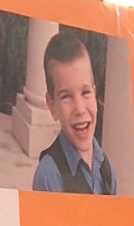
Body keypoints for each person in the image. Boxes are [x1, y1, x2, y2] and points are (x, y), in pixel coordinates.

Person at [32, 32, 116, 194]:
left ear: (95, 93)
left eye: (85, 92)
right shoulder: (49, 174)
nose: (79, 109)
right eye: (66, 96)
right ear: (52, 106)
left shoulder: (107, 169)